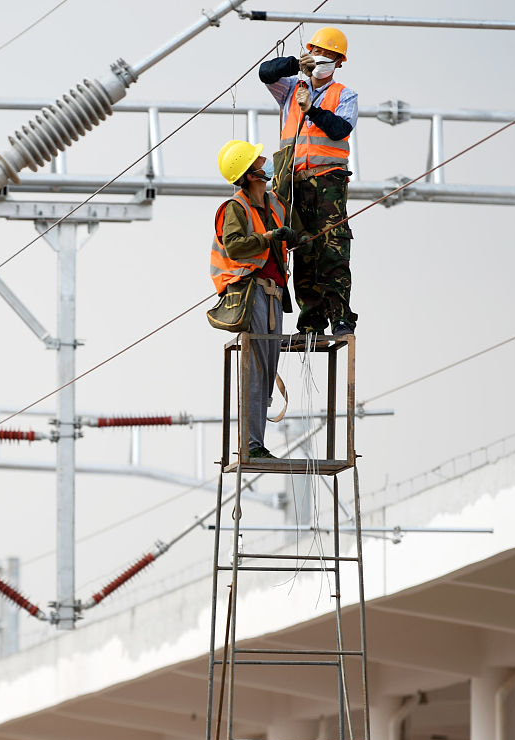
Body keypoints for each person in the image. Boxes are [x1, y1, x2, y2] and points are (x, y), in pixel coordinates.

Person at [258, 26, 358, 337]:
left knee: (332, 247)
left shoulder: (343, 94)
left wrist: (311, 109)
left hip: (328, 180)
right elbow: (265, 73)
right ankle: (311, 320)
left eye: (329, 55)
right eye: (319, 51)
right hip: (294, 181)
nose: (323, 58)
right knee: (303, 249)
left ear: (339, 62)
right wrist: (293, 64)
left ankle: (340, 317)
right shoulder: (291, 88)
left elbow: (340, 129)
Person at [210, 139, 296, 461]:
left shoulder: (272, 205)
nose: (264, 162)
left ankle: (256, 442)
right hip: (251, 290)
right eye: (258, 161)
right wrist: (269, 237)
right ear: (249, 174)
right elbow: (234, 246)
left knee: (269, 365)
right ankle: (251, 445)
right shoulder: (236, 207)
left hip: (274, 294)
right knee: (257, 368)